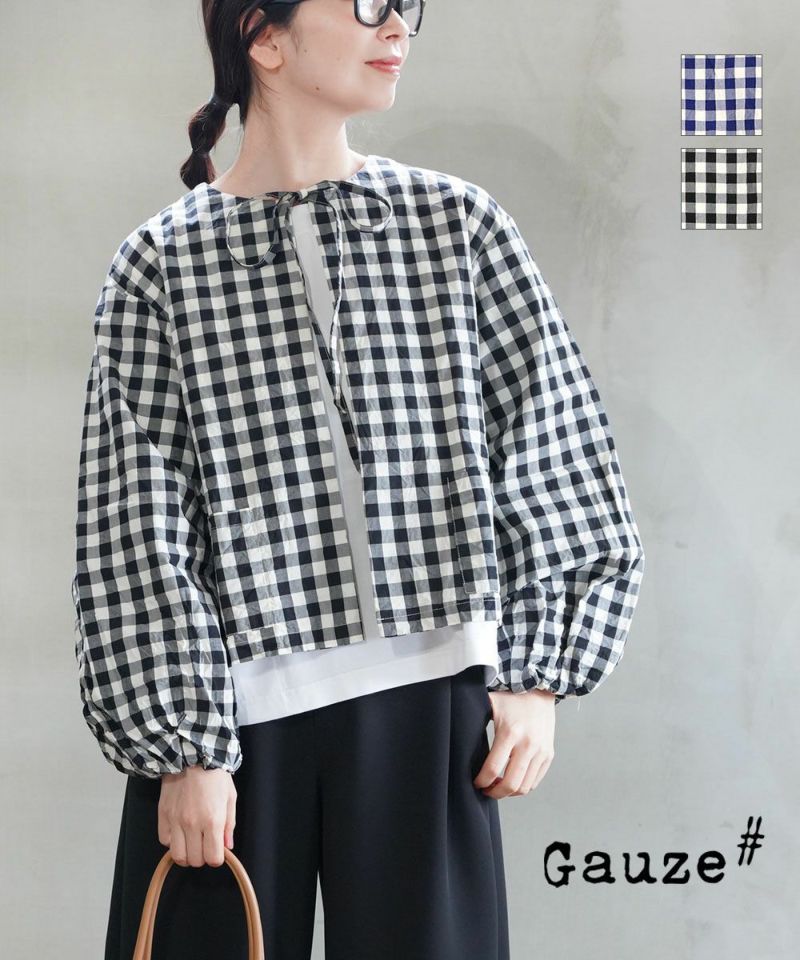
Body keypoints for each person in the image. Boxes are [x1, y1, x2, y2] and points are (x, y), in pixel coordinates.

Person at [70, 2, 646, 958]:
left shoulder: (456, 226)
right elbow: (136, 524)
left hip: (433, 704)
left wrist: (538, 677)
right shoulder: (162, 264)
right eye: (367, 5)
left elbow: (556, 445)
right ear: (265, 38)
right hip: (234, 722)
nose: (397, 28)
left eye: (405, 7)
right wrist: (186, 751)